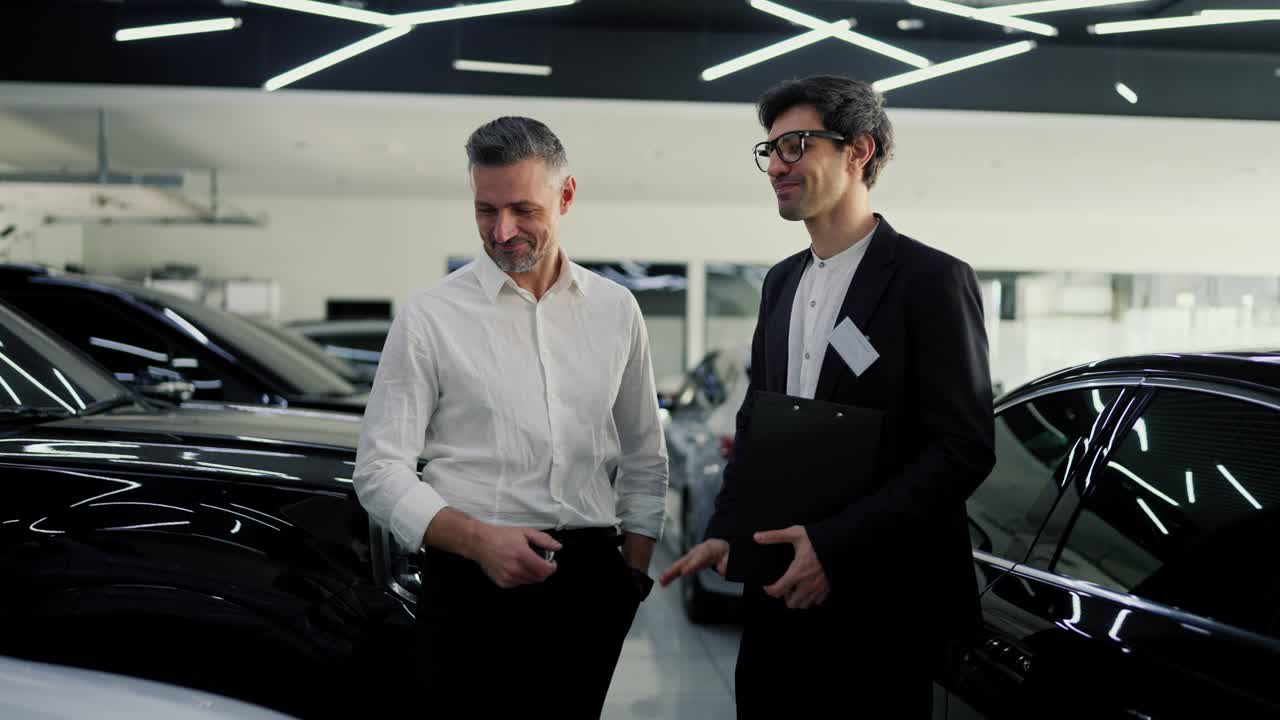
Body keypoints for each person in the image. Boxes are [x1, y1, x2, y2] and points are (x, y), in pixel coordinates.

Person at [659, 75, 996, 718]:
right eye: (770, 151)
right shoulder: (782, 283)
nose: (777, 167)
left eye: (796, 146)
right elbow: (759, 424)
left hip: (880, 599)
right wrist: (728, 530)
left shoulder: (930, 280)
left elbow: (963, 449)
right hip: (779, 589)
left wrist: (834, 547)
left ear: (859, 150)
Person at [353, 116, 669, 719]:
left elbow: (644, 454)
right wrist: (479, 542)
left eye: (523, 209)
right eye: (484, 210)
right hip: (470, 579)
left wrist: (630, 577)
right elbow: (379, 470)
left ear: (566, 196)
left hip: (589, 585)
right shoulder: (430, 316)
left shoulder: (615, 309)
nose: (502, 231)